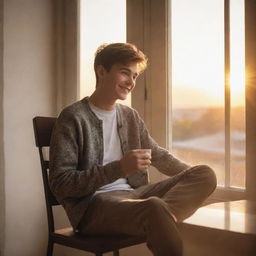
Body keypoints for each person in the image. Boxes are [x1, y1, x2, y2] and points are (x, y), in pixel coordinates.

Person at [49, 42, 217, 256]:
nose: (131, 82)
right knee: (154, 207)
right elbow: (61, 184)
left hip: (135, 196)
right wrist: (119, 168)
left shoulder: (130, 116)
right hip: (92, 208)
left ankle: (160, 219)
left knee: (205, 174)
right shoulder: (73, 117)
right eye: (125, 73)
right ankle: (158, 218)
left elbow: (159, 155)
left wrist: (189, 176)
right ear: (102, 71)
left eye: (135, 76)